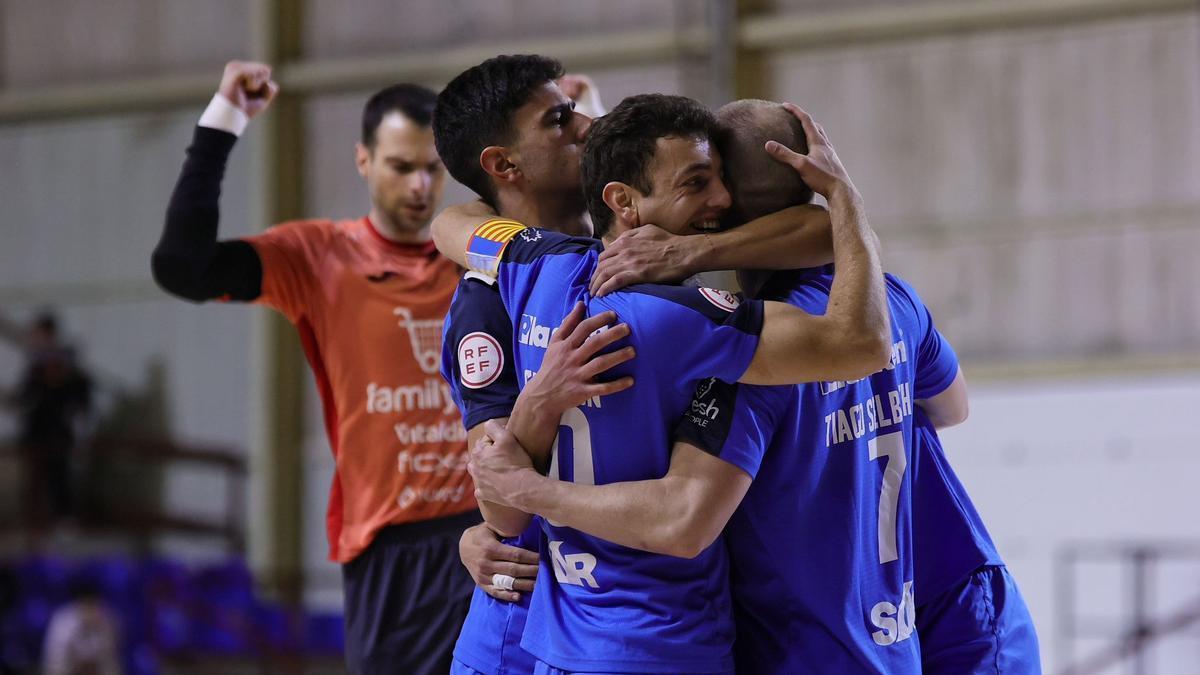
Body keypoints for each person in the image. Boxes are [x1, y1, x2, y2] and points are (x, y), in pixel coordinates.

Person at [478, 99, 1039, 673]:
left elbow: (684, 519)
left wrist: (520, 494)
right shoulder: (893, 299)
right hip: (939, 610)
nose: (713, 200)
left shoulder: (746, 354)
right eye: (699, 184)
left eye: (717, 184)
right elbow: (952, 407)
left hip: (800, 640)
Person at [435, 89, 890, 673]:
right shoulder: (678, 315)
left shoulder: (530, 267)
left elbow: (451, 224)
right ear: (624, 201)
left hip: (558, 639)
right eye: (696, 183)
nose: (721, 199)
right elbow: (862, 344)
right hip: (658, 640)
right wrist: (844, 193)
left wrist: (533, 429)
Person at [150, 61, 476, 674]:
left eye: (432, 169)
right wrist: (223, 122)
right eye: (401, 167)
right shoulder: (319, 256)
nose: (419, 187)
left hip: (486, 526)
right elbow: (182, 267)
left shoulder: (474, 247)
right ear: (363, 161)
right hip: (390, 544)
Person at [5, 312, 92, 528]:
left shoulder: (66, 363)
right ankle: (34, 523)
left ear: (49, 335)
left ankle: (64, 521)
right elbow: (25, 398)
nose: (35, 340)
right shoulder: (36, 369)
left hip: (58, 434)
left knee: (59, 478)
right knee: (33, 483)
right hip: (36, 434)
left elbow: (80, 400)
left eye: (38, 334)